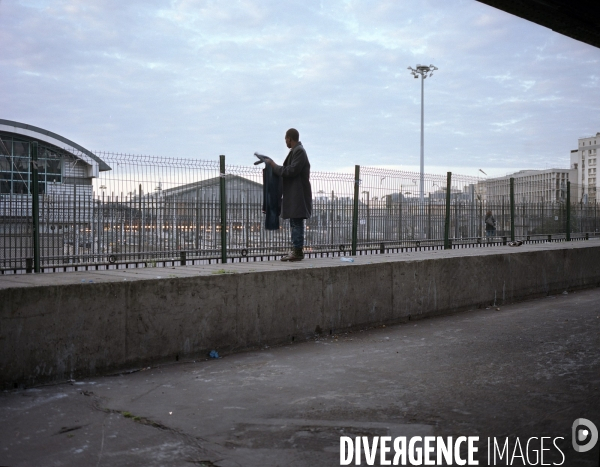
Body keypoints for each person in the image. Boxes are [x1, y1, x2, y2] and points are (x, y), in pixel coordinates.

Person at [266, 128, 312, 261]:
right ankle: (296, 250)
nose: (285, 141)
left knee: (296, 222)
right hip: (295, 194)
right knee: (294, 222)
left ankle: (297, 252)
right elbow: (289, 170)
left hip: (298, 194)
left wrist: (274, 166)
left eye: (285, 139)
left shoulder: (299, 152)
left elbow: (291, 171)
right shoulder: (296, 151)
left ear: (289, 138)